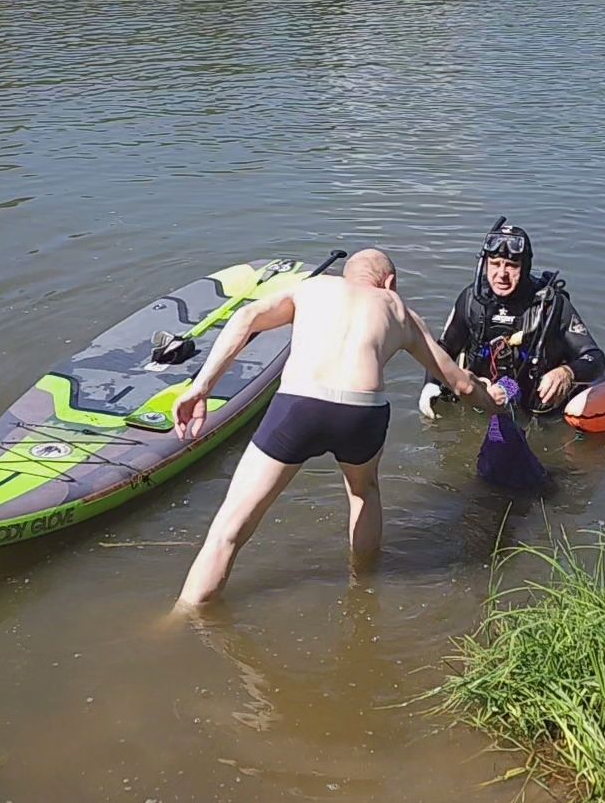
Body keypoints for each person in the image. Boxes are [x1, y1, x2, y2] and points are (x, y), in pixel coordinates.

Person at [171, 248, 506, 607]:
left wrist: (201, 387)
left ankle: (185, 615)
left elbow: (247, 316)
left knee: (230, 527)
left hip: (299, 404)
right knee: (364, 492)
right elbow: (462, 385)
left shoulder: (312, 287)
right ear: (390, 282)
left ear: (347, 276)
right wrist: (494, 404)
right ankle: (363, 588)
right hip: (362, 414)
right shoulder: (397, 309)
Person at [418, 222, 605, 418]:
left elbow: (595, 358)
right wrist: (431, 385)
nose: (502, 274)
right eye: (495, 264)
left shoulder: (551, 305)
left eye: (512, 266)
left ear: (525, 267)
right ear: (484, 264)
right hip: (480, 401)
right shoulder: (471, 301)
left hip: (534, 411)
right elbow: (444, 348)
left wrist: (567, 373)